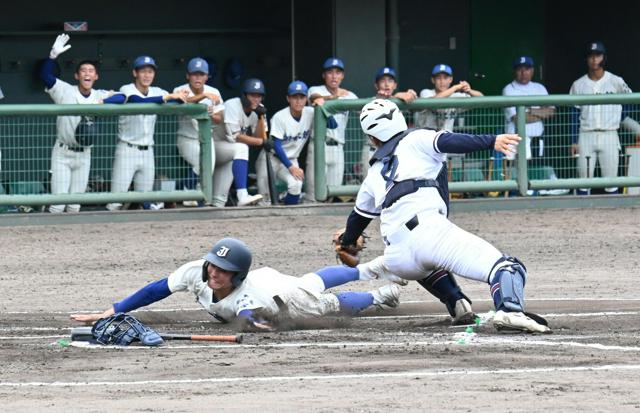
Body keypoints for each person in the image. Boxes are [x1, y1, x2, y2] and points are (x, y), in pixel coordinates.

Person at [336, 99, 551, 333]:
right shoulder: (416, 138)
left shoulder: (373, 173)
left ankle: (456, 302)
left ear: (373, 138)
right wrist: (492, 141)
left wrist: (347, 241)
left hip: (398, 257)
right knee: (508, 267)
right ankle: (510, 311)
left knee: (427, 264)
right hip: (428, 232)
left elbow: (357, 220)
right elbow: (449, 140)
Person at [70, 237, 402, 331]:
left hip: (281, 296)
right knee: (312, 279)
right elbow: (156, 289)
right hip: (267, 277)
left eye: (224, 270)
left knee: (321, 300)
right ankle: (373, 268)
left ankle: (378, 295)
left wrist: (258, 325)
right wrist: (114, 309)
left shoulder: (246, 295)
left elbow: (251, 320)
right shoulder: (197, 271)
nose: (214, 273)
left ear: (238, 275)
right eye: (214, 265)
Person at [40, 34, 126, 214]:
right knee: (58, 205)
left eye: (91, 71)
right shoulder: (65, 90)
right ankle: (50, 240)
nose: (87, 73)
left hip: (84, 154)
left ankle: (72, 242)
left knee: (75, 205)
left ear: (96, 76)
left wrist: (102, 104)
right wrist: (52, 56)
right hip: (63, 153)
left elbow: (122, 97)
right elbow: (46, 76)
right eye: (83, 71)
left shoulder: (99, 94)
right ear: (77, 75)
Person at [105, 56, 189, 211]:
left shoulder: (158, 91)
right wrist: (167, 97)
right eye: (143, 71)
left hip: (147, 151)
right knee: (115, 201)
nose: (146, 75)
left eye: (150, 71)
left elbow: (178, 101)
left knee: (145, 199)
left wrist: (184, 96)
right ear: (135, 73)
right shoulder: (127, 89)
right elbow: (137, 100)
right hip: (127, 150)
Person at [569, 41, 640, 195]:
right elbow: (573, 114)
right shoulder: (578, 84)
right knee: (583, 179)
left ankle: (612, 217)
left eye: (598, 55)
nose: (594, 59)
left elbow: (631, 100)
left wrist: (619, 116)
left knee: (611, 180)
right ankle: (581, 215)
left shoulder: (615, 81)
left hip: (609, 133)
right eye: (591, 56)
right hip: (586, 134)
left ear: (604, 57)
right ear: (586, 59)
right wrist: (573, 140)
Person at [502, 56, 567, 196]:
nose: (523, 72)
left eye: (527, 69)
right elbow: (516, 118)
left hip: (537, 137)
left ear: (532, 71)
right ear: (515, 71)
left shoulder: (539, 88)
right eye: (520, 69)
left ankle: (534, 193)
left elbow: (551, 111)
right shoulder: (509, 89)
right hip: (515, 138)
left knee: (535, 168)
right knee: (516, 170)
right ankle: (517, 194)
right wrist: (539, 112)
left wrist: (530, 110)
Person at [174, 57, 224, 207]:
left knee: (209, 168)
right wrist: (203, 97)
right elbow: (184, 101)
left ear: (207, 76)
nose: (198, 77)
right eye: (194, 74)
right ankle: (185, 190)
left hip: (206, 138)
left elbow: (219, 119)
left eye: (201, 74)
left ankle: (196, 199)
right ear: (188, 76)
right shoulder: (179, 89)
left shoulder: (214, 92)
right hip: (186, 138)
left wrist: (210, 115)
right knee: (200, 163)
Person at [306, 58, 358, 202]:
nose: (334, 76)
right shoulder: (316, 89)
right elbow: (315, 98)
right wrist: (336, 96)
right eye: (330, 72)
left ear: (342, 76)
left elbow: (364, 110)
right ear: (324, 75)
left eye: (338, 72)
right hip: (318, 145)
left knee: (332, 192)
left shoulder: (349, 96)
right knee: (313, 193)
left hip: (338, 148)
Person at [256, 80, 313, 205]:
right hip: (270, 158)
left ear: (306, 99)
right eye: (294, 97)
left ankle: (288, 218)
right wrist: (291, 167)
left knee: (296, 185)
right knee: (264, 199)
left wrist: (320, 106)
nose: (298, 101)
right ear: (288, 98)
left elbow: (331, 125)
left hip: (291, 159)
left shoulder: (311, 113)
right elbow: (277, 146)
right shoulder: (280, 116)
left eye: (302, 97)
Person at [361, 67, 418, 178]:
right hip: (373, 151)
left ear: (395, 85)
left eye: (390, 81)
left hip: (396, 151)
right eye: (383, 81)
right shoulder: (369, 102)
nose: (387, 84)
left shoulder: (401, 101)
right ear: (376, 85)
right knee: (371, 188)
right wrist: (393, 97)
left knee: (394, 186)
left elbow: (418, 105)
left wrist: (411, 94)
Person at [224, 78, 268, 206]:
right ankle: (242, 195)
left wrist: (260, 117)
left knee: (219, 199)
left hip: (231, 153)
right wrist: (261, 142)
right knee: (242, 147)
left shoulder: (259, 109)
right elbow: (236, 136)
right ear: (244, 96)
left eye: (259, 96)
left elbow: (260, 136)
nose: (256, 99)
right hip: (217, 146)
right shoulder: (232, 104)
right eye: (252, 95)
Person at [414, 64, 483, 131]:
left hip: (446, 138)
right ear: (433, 80)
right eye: (438, 78)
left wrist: (469, 91)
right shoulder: (426, 92)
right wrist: (454, 88)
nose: (442, 81)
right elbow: (432, 101)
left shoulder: (455, 96)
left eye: (445, 78)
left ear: (450, 79)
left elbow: (481, 99)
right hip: (426, 137)